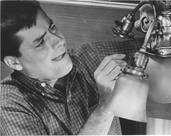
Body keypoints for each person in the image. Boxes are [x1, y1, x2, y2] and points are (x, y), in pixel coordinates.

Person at [0, 0, 148, 135]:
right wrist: (105, 107)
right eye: (40, 43)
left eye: (52, 28)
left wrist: (152, 24)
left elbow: (153, 52)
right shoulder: (9, 103)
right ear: (14, 63)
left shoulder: (89, 56)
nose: (59, 41)